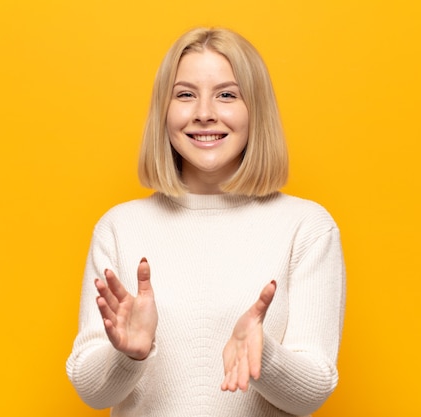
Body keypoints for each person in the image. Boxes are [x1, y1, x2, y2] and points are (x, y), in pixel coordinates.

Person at [66, 27, 346, 417]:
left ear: (256, 110)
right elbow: (92, 394)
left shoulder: (307, 227)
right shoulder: (120, 227)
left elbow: (312, 393)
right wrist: (129, 355)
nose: (204, 113)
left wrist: (262, 355)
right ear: (163, 111)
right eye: (185, 95)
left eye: (227, 95)